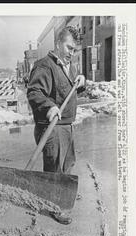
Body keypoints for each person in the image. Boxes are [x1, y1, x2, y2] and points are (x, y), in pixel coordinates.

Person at [27, 26, 85, 224]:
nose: (72, 53)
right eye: (69, 48)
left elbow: (69, 90)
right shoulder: (45, 65)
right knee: (54, 169)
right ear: (58, 44)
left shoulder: (68, 66)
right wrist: (49, 106)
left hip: (66, 125)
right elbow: (34, 92)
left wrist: (81, 81)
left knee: (67, 164)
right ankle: (55, 207)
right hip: (52, 128)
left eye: (75, 50)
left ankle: (64, 195)